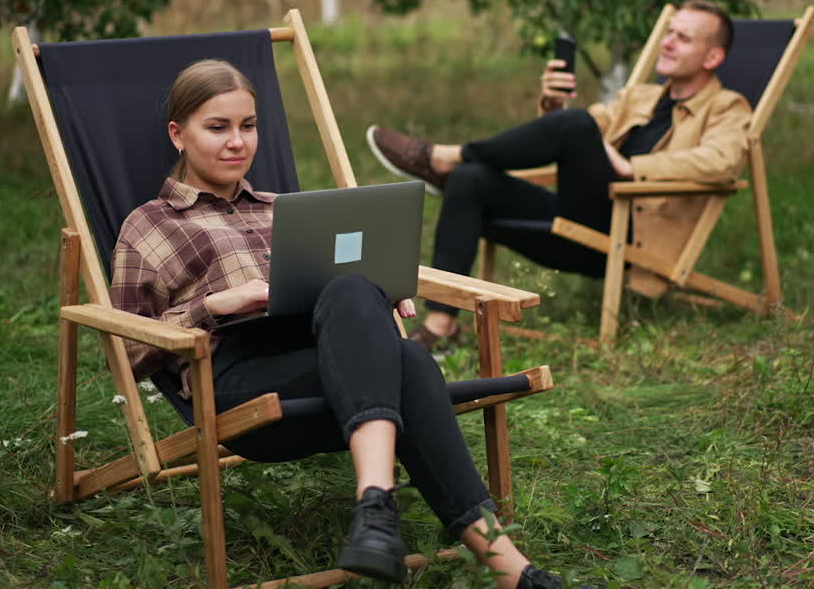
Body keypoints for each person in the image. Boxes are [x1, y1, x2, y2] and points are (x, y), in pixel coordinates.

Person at [108, 59, 586, 589]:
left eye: (248, 125)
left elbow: (339, 297)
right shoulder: (150, 225)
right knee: (407, 360)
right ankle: (478, 556)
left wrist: (381, 287)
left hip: (325, 356)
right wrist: (214, 306)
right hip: (237, 376)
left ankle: (393, 517)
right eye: (217, 127)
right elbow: (128, 350)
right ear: (178, 134)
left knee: (362, 297)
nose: (237, 142)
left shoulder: (285, 210)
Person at [366, 0, 751, 352]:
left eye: (683, 38)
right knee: (470, 179)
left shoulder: (727, 107)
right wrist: (553, 106)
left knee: (578, 124)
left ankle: (442, 158)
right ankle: (441, 324)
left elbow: (723, 161)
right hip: (580, 221)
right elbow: (574, 136)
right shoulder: (641, 97)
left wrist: (632, 167)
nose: (667, 43)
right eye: (668, 32)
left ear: (713, 56)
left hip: (629, 238)